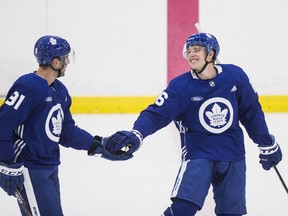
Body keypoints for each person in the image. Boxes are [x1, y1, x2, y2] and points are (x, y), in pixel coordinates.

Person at [103, 32, 283, 216]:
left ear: (211, 54)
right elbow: (156, 113)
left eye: (197, 49)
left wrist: (265, 142)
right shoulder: (180, 87)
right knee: (183, 210)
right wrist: (138, 133)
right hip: (199, 154)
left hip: (233, 154)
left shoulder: (235, 76)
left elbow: (251, 112)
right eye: (188, 51)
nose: (191, 54)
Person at [0, 35, 130, 216]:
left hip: (50, 166)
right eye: (65, 58)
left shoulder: (60, 91)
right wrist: (5, 164)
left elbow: (67, 132)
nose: (68, 61)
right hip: (31, 168)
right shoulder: (28, 87)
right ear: (55, 62)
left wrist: (98, 145)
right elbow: (3, 124)